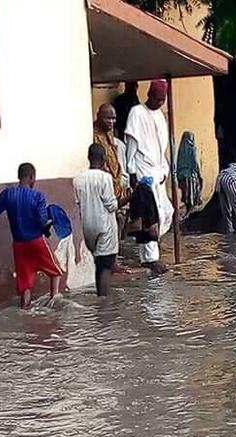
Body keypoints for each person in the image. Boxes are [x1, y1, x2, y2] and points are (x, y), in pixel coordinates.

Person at [0, 163, 62, 308]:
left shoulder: (8, 195)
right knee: (55, 271)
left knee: (24, 284)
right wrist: (49, 221)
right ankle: (54, 300)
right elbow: (42, 221)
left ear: (19, 177)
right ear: (32, 177)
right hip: (36, 240)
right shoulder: (37, 196)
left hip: (19, 244)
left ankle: (25, 309)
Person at [125, 79, 173, 274]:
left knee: (165, 213)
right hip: (143, 171)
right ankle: (150, 259)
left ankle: (152, 253)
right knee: (149, 217)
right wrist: (132, 172)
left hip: (157, 171)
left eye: (163, 99)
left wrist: (164, 170)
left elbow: (162, 148)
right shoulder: (137, 112)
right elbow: (132, 145)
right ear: (149, 95)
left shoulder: (161, 116)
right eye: (158, 98)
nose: (160, 102)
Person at [73, 144, 130, 297]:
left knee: (99, 263)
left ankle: (100, 297)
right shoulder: (105, 178)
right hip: (105, 226)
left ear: (88, 158)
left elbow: (78, 204)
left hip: (87, 227)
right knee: (105, 266)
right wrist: (129, 197)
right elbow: (111, 206)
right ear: (104, 158)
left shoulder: (78, 179)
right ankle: (104, 305)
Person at [93, 104, 130, 269]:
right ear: (98, 116)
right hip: (102, 187)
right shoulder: (93, 136)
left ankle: (113, 260)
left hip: (116, 187)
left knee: (119, 221)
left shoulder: (110, 136)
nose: (111, 122)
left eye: (114, 118)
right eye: (108, 118)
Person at [177, 131, 203, 215]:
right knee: (193, 193)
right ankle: (189, 212)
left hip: (182, 176)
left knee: (186, 195)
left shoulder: (181, 150)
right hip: (191, 176)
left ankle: (188, 210)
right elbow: (195, 163)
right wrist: (199, 174)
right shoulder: (192, 149)